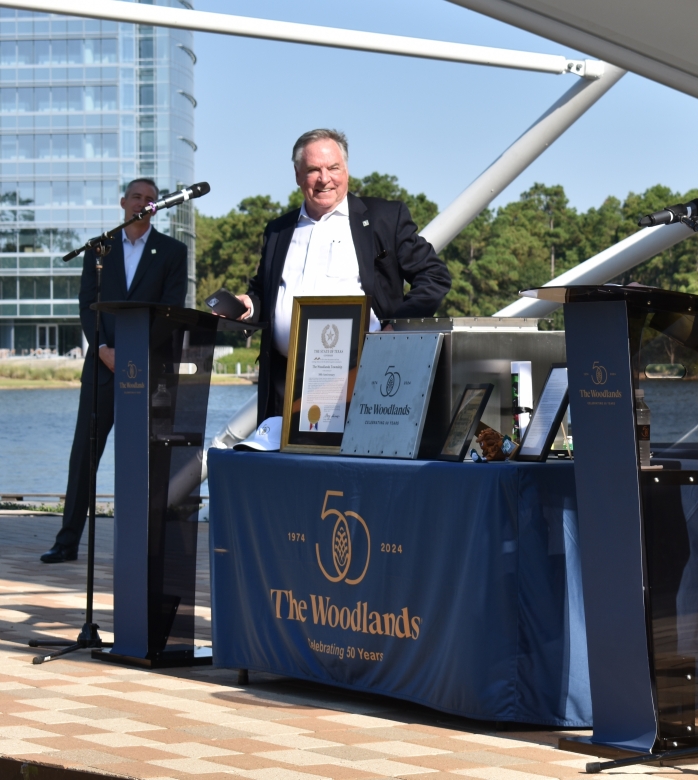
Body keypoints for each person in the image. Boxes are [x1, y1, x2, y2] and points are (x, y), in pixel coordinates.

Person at [236, 129, 451, 423]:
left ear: (346, 170)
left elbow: (434, 276)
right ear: (298, 175)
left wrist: (396, 327)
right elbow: (264, 291)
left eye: (333, 168)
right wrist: (249, 304)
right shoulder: (278, 230)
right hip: (284, 384)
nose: (325, 178)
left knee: (353, 467)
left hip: (362, 379)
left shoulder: (384, 218)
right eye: (313, 169)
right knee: (286, 468)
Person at [41, 178, 189, 563]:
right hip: (101, 369)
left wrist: (135, 353)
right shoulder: (99, 250)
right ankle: (67, 540)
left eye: (151, 199)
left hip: (147, 371)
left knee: (143, 461)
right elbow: (87, 303)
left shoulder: (173, 251)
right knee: (83, 457)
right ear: (123, 202)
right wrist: (103, 348)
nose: (144, 202)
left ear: (158, 207)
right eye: (137, 197)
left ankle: (140, 547)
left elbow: (171, 308)